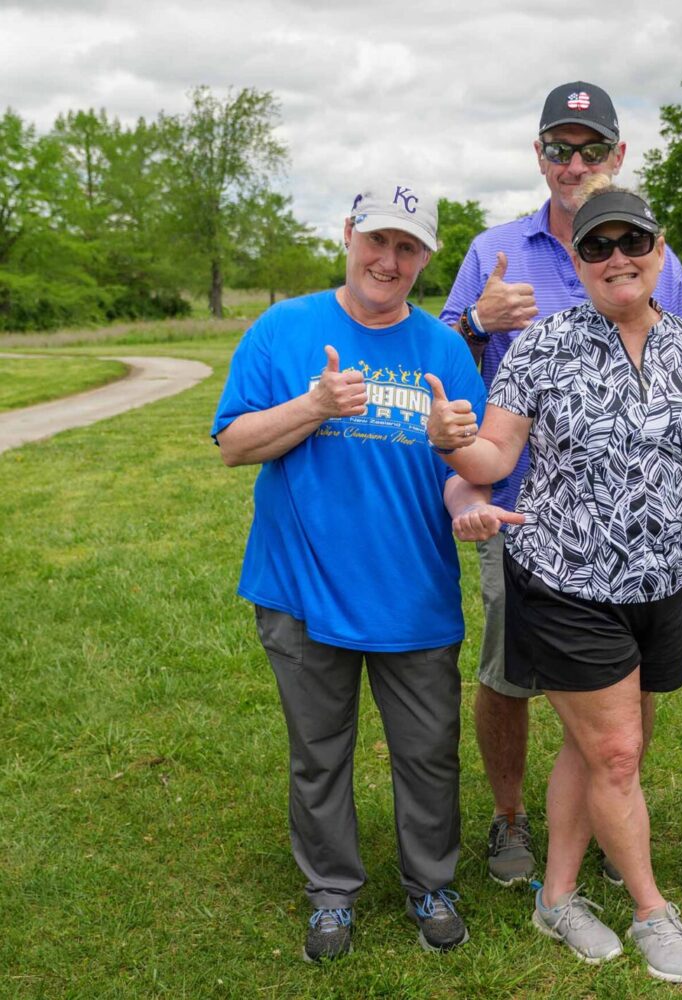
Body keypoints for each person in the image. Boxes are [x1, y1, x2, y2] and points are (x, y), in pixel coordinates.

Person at [424, 179, 682, 984]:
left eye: (632, 242)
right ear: (578, 259)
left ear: (659, 250)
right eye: (597, 246)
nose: (617, 258)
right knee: (615, 753)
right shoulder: (541, 345)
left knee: (589, 743)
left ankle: (558, 896)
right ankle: (651, 911)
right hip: (564, 579)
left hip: (659, 587)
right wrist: (448, 443)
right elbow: (494, 460)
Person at [211, 182, 520, 962]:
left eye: (408, 247)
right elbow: (233, 443)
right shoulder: (285, 329)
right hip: (301, 589)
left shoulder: (445, 350)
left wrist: (467, 500)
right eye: (377, 240)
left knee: (428, 754)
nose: (389, 259)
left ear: (426, 259)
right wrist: (314, 404)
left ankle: (432, 885)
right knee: (319, 754)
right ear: (348, 234)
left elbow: (464, 465)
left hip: (411, 592)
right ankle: (331, 894)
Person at [440, 81, 682, 888]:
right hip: (518, 508)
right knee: (510, 675)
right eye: (559, 147)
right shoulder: (495, 249)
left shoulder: (658, 253)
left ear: (618, 155)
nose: (574, 163)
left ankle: (614, 821)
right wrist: (477, 321)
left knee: (631, 681)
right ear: (539, 154)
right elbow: (436, 354)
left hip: (638, 523)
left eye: (592, 148)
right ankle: (510, 819)